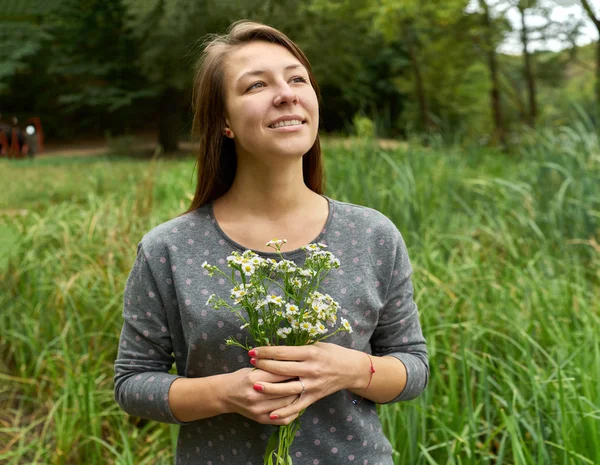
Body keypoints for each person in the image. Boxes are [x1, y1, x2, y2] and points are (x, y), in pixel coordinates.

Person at [114, 20, 429, 465]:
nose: (286, 93)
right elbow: (132, 384)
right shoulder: (169, 248)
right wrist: (225, 393)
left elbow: (413, 367)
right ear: (223, 121)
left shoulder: (372, 235)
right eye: (256, 85)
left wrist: (354, 369)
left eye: (297, 78)